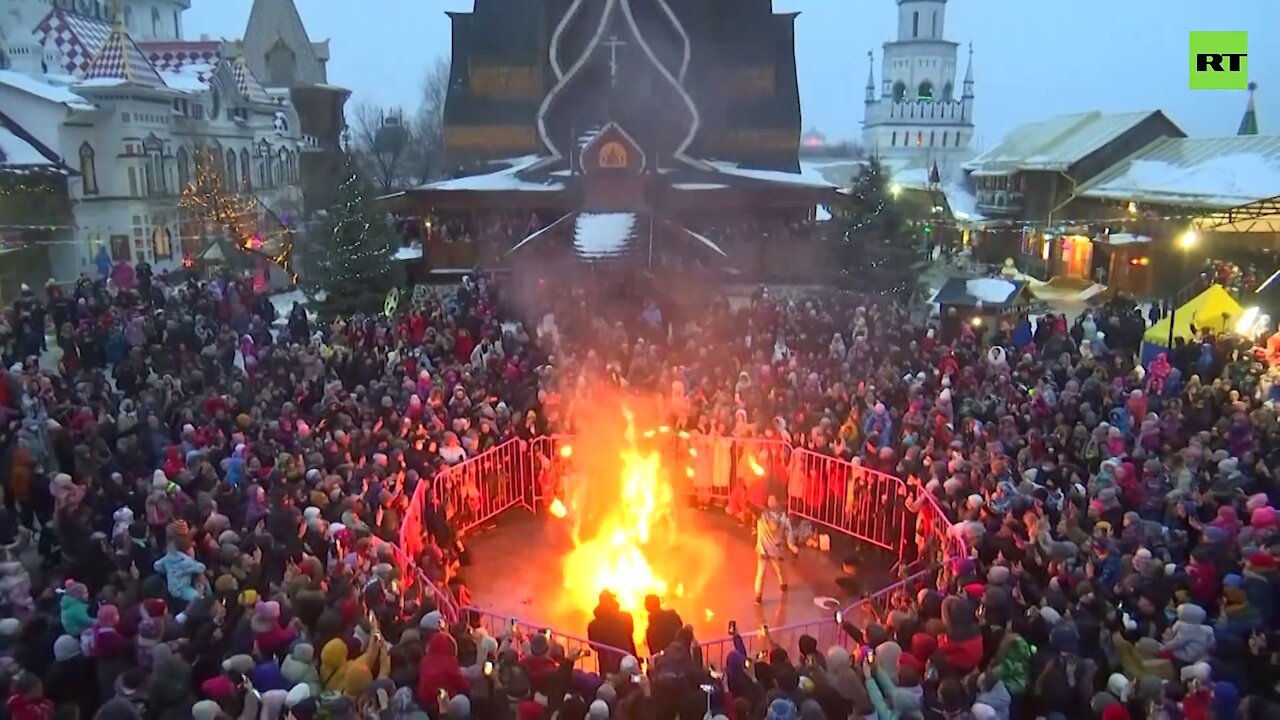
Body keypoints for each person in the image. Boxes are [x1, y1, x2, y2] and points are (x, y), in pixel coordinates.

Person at [754, 494, 798, 605]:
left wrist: (792, 546)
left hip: (776, 549)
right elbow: (752, 508)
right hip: (763, 549)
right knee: (761, 572)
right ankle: (758, 595)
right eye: (770, 500)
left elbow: (789, 533)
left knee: (779, 568)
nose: (771, 502)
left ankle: (783, 583)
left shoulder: (783, 518)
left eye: (774, 500)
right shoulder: (762, 514)